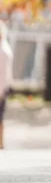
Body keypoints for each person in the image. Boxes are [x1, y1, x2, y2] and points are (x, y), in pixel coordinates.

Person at [0, 21, 12, 150]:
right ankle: (1, 143)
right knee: (1, 116)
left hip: (1, 87)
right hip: (3, 87)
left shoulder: (4, 51)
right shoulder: (6, 49)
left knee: (0, 116)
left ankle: (1, 143)